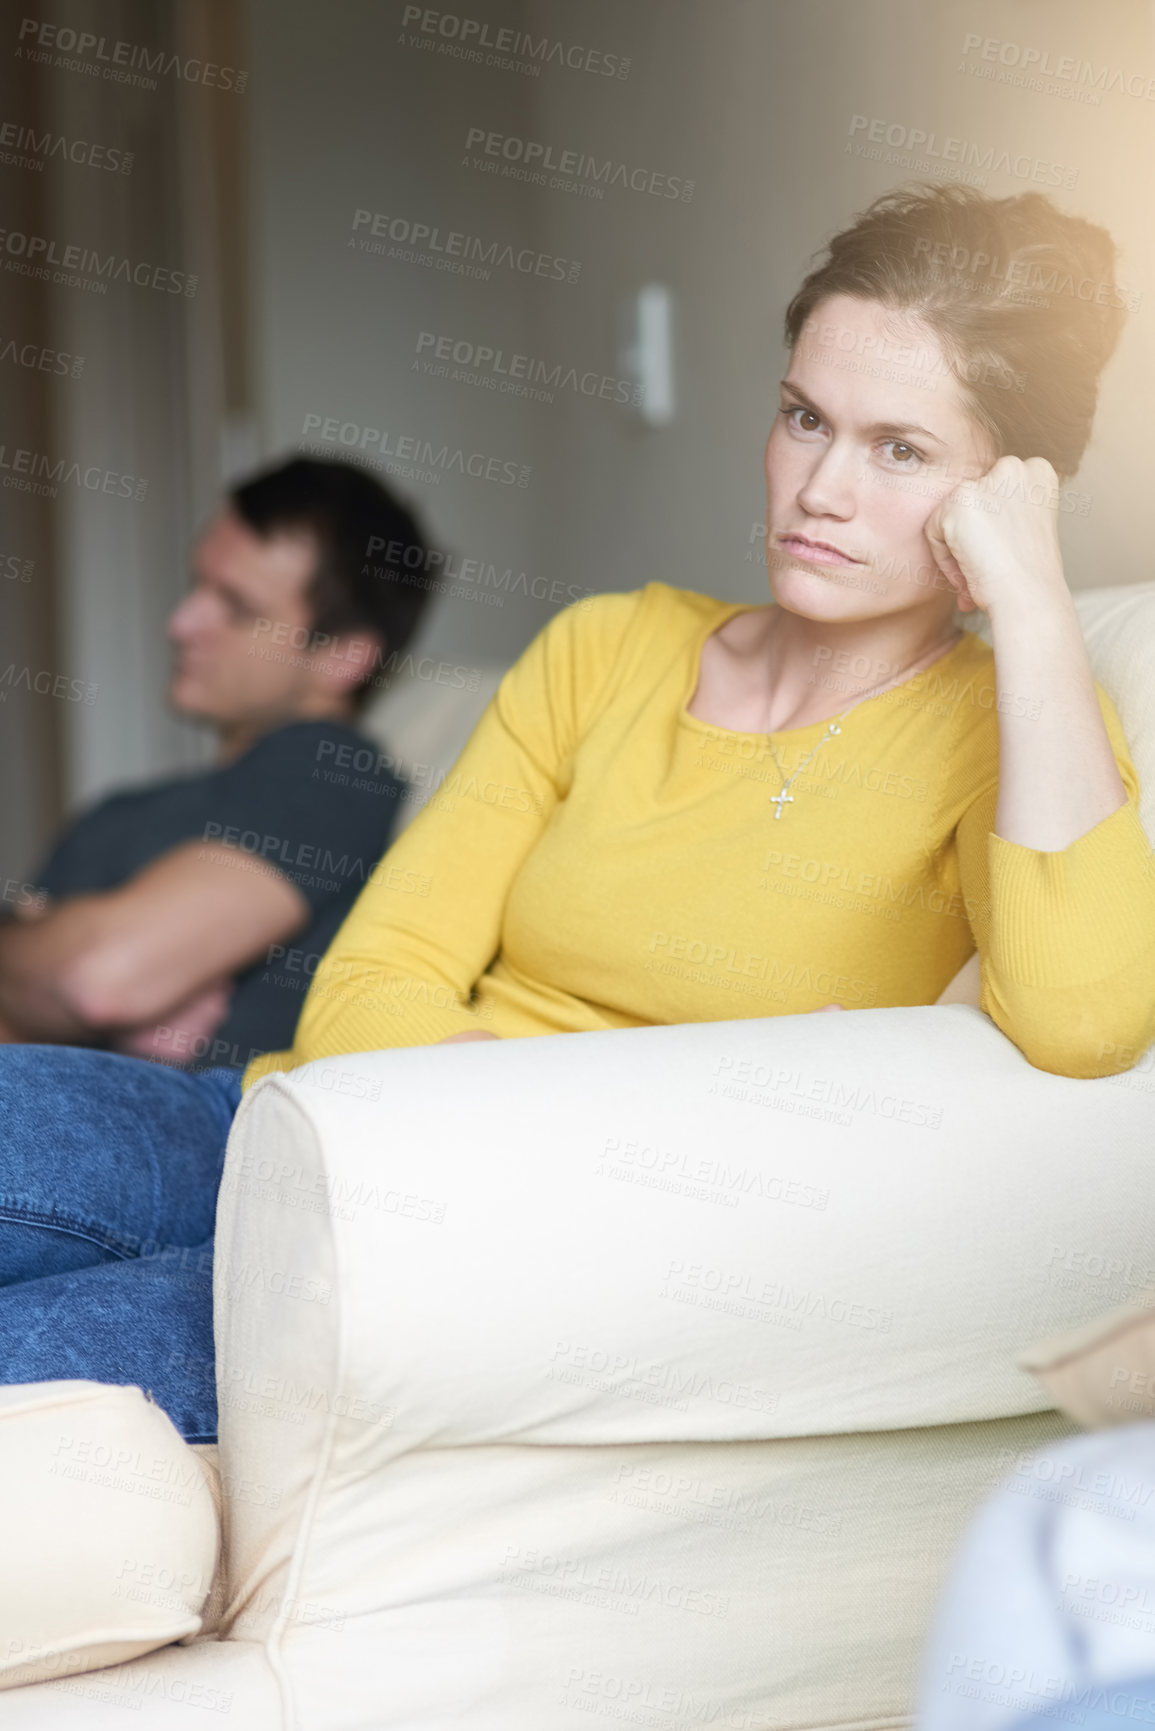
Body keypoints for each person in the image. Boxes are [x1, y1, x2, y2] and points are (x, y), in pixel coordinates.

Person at [3, 181, 1154, 1445]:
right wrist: (651, 1100)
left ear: (1007, 494)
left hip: (470, 1263)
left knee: (31, 1364)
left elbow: (1087, 1021)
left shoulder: (1021, 739)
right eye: (803, 418)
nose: (820, 489)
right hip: (281, 1123)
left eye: (902, 451)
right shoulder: (605, 649)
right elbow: (366, 989)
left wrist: (1037, 600)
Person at [0, 455, 431, 1074]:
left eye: (237, 607)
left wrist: (56, 957)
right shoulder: (119, 810)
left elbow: (99, 979)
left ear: (343, 657)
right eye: (196, 584)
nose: (181, 623)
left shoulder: (335, 774)